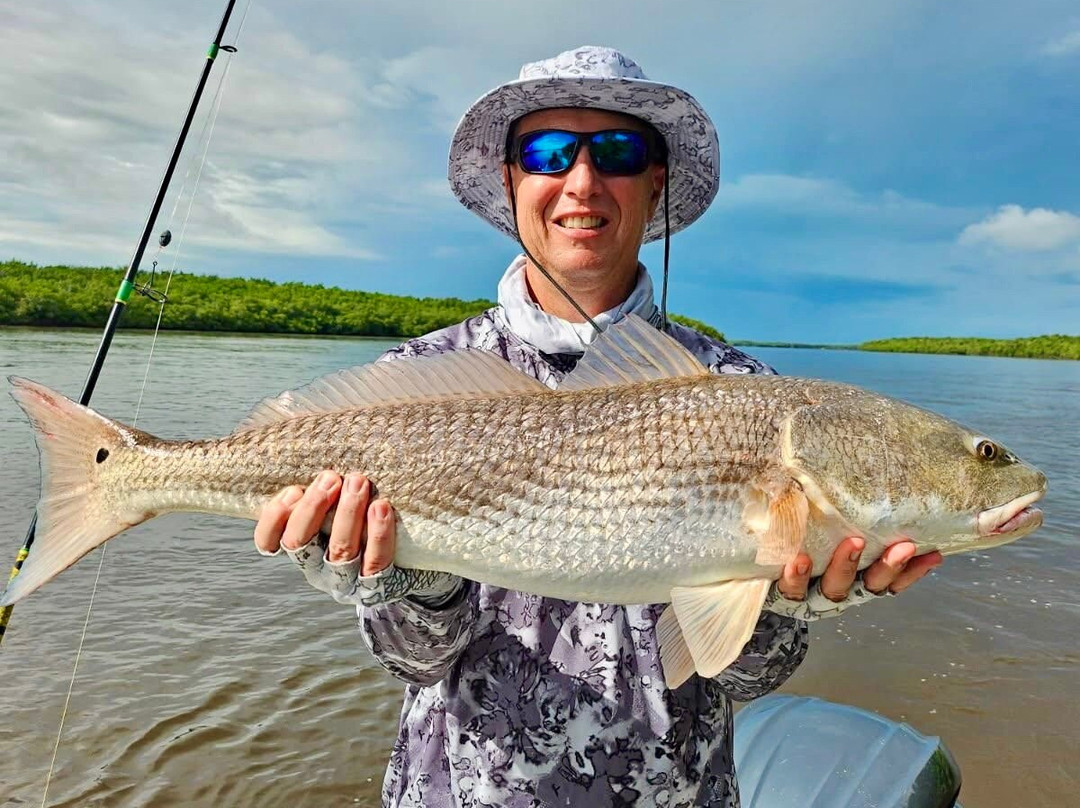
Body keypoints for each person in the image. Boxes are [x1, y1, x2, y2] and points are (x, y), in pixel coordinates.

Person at [253, 46, 943, 808]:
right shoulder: (414, 381)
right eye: (547, 152)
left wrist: (786, 599)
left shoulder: (744, 394)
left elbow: (747, 677)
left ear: (655, 183)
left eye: (616, 151)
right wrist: (411, 580)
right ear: (512, 179)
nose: (581, 181)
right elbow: (416, 661)